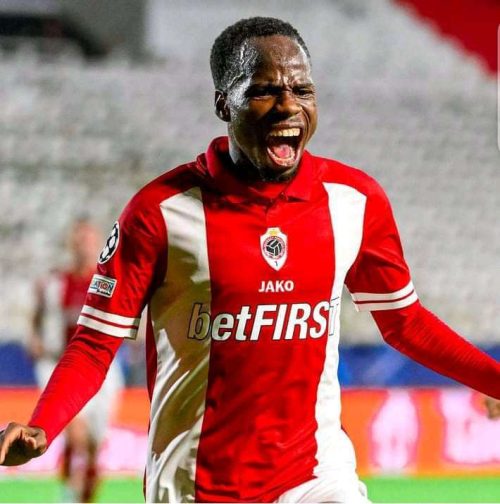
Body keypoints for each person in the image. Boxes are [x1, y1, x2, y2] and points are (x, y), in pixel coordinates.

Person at [1, 17, 499, 503]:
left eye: (302, 90)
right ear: (224, 102)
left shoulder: (354, 200)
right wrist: (42, 424)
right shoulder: (160, 212)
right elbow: (94, 344)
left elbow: (405, 323)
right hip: (197, 483)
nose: (289, 106)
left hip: (317, 475)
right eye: (264, 91)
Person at [27, 218, 123, 502]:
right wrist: (35, 339)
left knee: (93, 445)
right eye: (80, 240)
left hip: (101, 367)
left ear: (99, 244)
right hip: (60, 364)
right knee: (75, 434)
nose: (84, 246)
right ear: (71, 244)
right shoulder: (55, 283)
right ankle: (69, 493)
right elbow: (37, 315)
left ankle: (82, 496)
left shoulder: (109, 281)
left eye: (89, 240)